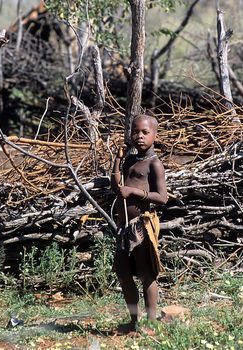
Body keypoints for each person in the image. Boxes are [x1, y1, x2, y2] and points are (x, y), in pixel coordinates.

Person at [111, 114, 168, 333]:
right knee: (124, 275)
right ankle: (134, 322)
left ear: (155, 135)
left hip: (142, 226)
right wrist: (117, 160)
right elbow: (116, 185)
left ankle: (151, 323)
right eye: (136, 131)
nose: (139, 136)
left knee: (147, 275)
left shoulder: (154, 164)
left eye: (145, 132)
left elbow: (162, 197)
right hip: (125, 227)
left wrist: (134, 191)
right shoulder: (129, 160)